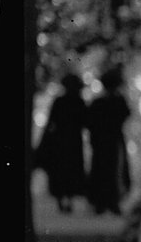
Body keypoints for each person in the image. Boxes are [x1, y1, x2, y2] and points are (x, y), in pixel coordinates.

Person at [35, 74, 88, 213]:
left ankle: (62, 199)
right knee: (69, 172)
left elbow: (51, 123)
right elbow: (86, 122)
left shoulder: (62, 101)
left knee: (61, 173)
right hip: (72, 143)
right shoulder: (78, 102)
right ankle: (66, 199)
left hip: (61, 143)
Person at [83, 68, 132, 215]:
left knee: (105, 171)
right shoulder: (114, 101)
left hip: (103, 143)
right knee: (109, 171)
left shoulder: (100, 102)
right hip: (108, 142)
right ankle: (107, 202)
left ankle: (106, 202)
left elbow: (89, 122)